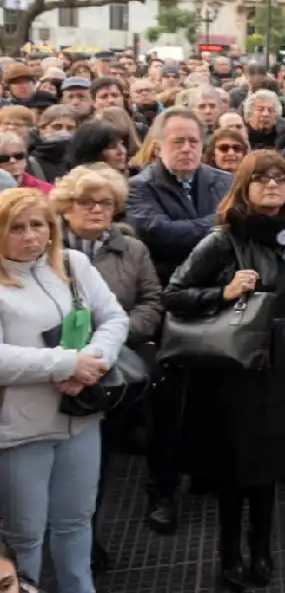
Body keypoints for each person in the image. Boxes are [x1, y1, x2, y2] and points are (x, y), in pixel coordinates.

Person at [163, 151, 285, 591]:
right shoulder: (222, 239)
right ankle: (229, 554)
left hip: (280, 364)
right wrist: (223, 291)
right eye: (261, 178)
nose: (272, 185)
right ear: (244, 186)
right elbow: (173, 293)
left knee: (268, 465)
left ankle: (262, 548)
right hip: (232, 369)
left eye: (280, 178)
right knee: (234, 467)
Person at [0, 188, 129, 593]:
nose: (31, 236)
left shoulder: (74, 264)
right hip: (19, 430)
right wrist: (66, 363)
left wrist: (94, 361)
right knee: (26, 537)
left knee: (76, 523)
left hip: (81, 418)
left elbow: (113, 318)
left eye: (38, 225)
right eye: (17, 227)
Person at [125, 107, 233, 534]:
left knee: (210, 399)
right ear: (158, 145)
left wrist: (200, 230)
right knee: (167, 407)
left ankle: (203, 471)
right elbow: (157, 234)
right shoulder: (139, 187)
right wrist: (214, 227)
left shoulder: (222, 180)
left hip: (216, 304)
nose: (187, 148)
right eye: (177, 141)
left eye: (193, 141)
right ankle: (162, 491)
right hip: (169, 309)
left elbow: (230, 231)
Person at [51, 165, 161, 572]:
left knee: (95, 466)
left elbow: (152, 301)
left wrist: (111, 338)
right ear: (66, 205)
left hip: (108, 372)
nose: (97, 209)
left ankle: (86, 538)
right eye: (87, 202)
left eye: (106, 203)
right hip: (54, 371)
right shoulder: (44, 247)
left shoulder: (132, 249)